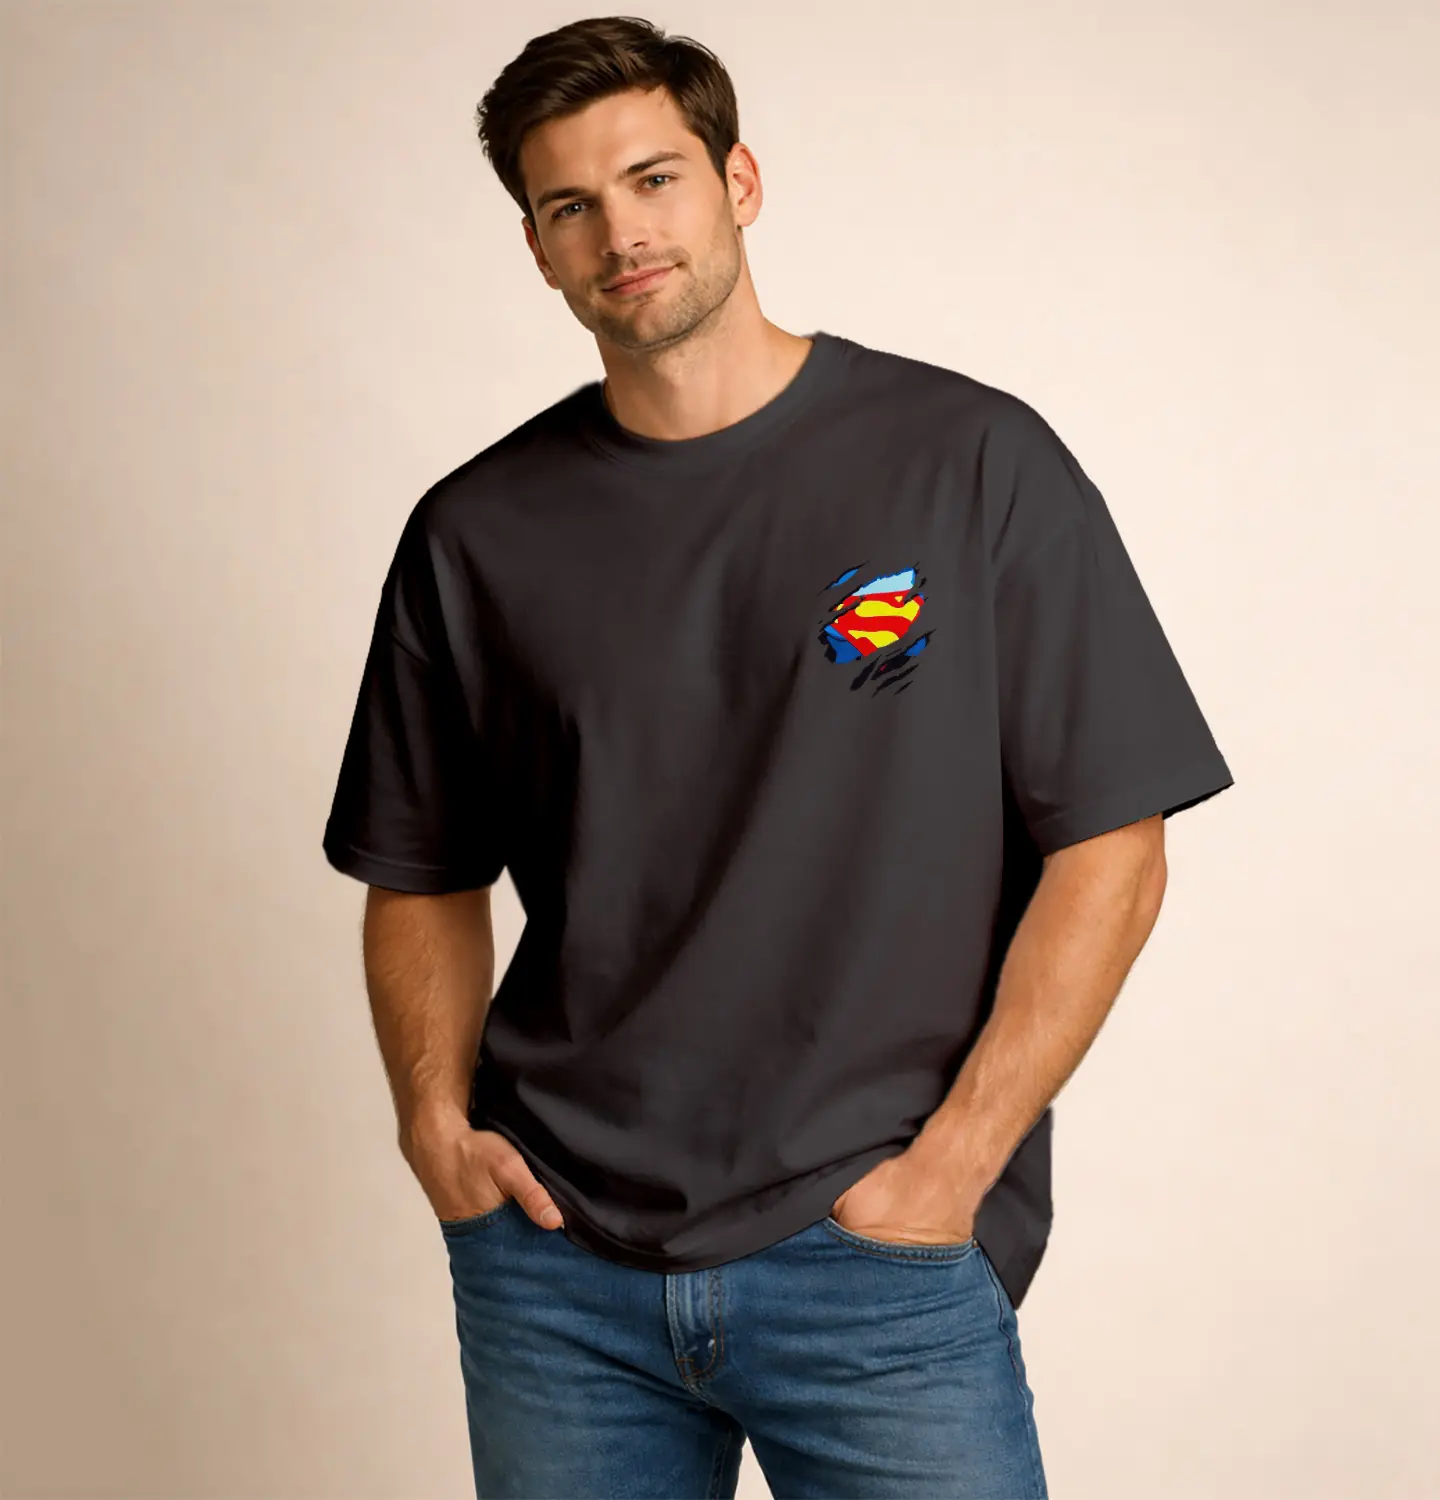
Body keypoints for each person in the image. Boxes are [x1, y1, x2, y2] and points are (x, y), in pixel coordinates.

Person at [321, 15, 1235, 1498]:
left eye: (654, 178)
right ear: (537, 250)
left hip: (877, 1257)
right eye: (571, 205)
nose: (623, 232)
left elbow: (1114, 847)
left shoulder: (969, 461)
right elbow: (418, 867)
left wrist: (956, 1165)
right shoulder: (476, 533)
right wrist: (435, 1125)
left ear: (739, 181)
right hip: (558, 1268)